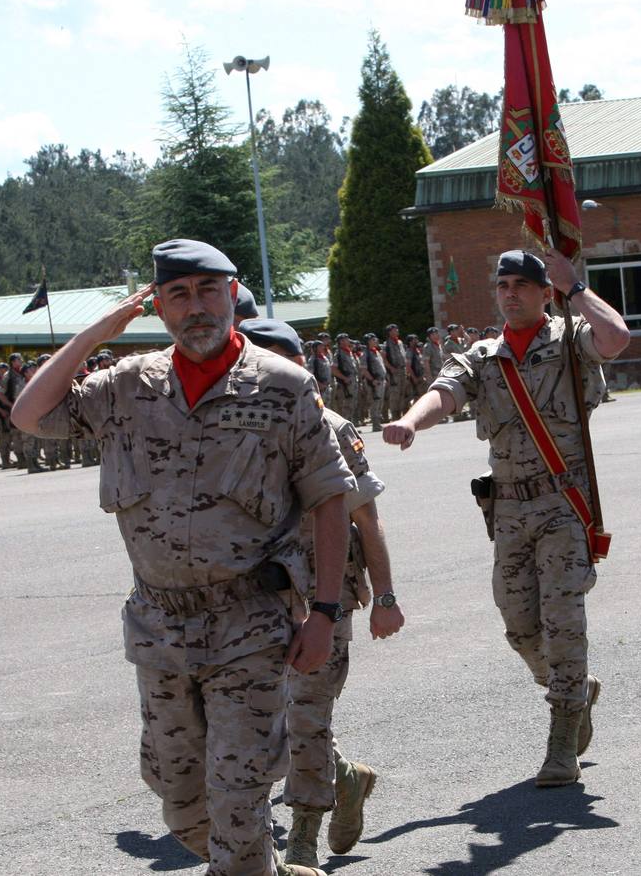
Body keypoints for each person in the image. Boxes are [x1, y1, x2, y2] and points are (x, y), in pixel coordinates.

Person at [11, 238, 353, 876]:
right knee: (181, 806)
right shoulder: (123, 387)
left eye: (207, 290)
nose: (195, 307)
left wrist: (325, 612)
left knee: (238, 802)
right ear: (157, 306)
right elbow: (30, 414)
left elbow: (331, 500)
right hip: (159, 628)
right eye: (177, 295)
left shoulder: (284, 386)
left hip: (250, 624)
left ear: (232, 292)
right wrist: (97, 332)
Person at [385, 249, 630, 786]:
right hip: (510, 507)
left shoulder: (569, 340)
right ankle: (574, 688)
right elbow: (444, 393)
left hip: (565, 503)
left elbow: (616, 339)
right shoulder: (482, 354)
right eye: (503, 284)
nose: (511, 292)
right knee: (519, 627)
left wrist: (577, 287)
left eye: (523, 284)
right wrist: (409, 422)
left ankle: (562, 742)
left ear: (545, 293)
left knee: (563, 618)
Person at [236, 318, 405, 869]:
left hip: (319, 591)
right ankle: (346, 777)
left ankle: (303, 834)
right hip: (249, 597)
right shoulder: (228, 427)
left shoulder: (331, 428)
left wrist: (385, 597)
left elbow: (366, 517)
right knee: (266, 713)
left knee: (307, 712)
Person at [0, 353, 27, 468]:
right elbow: (0, 394)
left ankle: (29, 458)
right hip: (14, 410)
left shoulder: (24, 372)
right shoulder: (8, 376)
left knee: (27, 434)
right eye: (19, 359)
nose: (21, 361)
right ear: (13, 362)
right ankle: (21, 459)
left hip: (26, 408)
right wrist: (11, 405)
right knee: (17, 435)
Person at [361, 334, 387, 432]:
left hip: (381, 381)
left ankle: (378, 423)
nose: (376, 341)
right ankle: (375, 424)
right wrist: (372, 380)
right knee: (375, 402)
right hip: (374, 382)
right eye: (373, 339)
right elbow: (364, 369)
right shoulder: (366, 354)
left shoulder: (376, 352)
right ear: (368, 342)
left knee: (380, 402)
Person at [330, 334, 357, 423]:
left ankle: (351, 423)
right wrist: (344, 378)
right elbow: (333, 369)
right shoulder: (338, 354)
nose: (348, 340)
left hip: (352, 381)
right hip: (345, 383)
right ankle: (346, 425)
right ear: (341, 342)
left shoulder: (348, 352)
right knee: (346, 405)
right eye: (346, 339)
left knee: (352, 403)